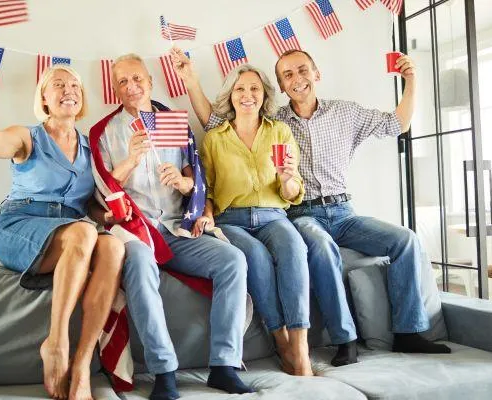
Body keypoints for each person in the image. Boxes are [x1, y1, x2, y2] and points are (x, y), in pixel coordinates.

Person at [171, 47, 452, 367]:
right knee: (319, 247)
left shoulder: (345, 113)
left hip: (344, 211)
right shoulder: (275, 120)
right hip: (301, 212)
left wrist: (411, 80)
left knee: (406, 240)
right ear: (280, 86)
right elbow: (219, 121)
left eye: (302, 70)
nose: (297, 79)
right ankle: (345, 338)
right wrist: (190, 80)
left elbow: (397, 123)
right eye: (287, 75)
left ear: (316, 74)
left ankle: (408, 331)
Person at [0, 49, 129, 400]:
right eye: (58, 85)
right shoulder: (28, 137)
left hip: (71, 234)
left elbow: (88, 208)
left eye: (75, 86)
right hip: (19, 224)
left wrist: (106, 217)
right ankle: (55, 344)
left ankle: (82, 365)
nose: (69, 89)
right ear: (45, 98)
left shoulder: (90, 148)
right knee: (83, 231)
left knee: (113, 245)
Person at [93, 53, 253, 400]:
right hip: (135, 229)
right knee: (138, 261)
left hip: (176, 227)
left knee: (233, 261)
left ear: (150, 81)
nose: (132, 87)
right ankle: (164, 371)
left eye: (137, 79)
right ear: (115, 89)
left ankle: (224, 366)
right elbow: (102, 193)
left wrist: (185, 185)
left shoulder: (169, 120)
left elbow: (191, 172)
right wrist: (130, 162)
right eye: (123, 81)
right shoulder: (104, 131)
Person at [190, 63, 312, 376]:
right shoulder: (215, 138)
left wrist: (286, 179)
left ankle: (300, 346)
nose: (247, 95)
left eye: (254, 89)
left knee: (295, 249)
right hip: (231, 218)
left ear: (264, 95)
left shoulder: (279, 131)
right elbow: (208, 190)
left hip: (273, 215)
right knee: (255, 256)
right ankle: (280, 338)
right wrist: (205, 214)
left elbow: (294, 189)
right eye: (240, 89)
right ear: (230, 96)